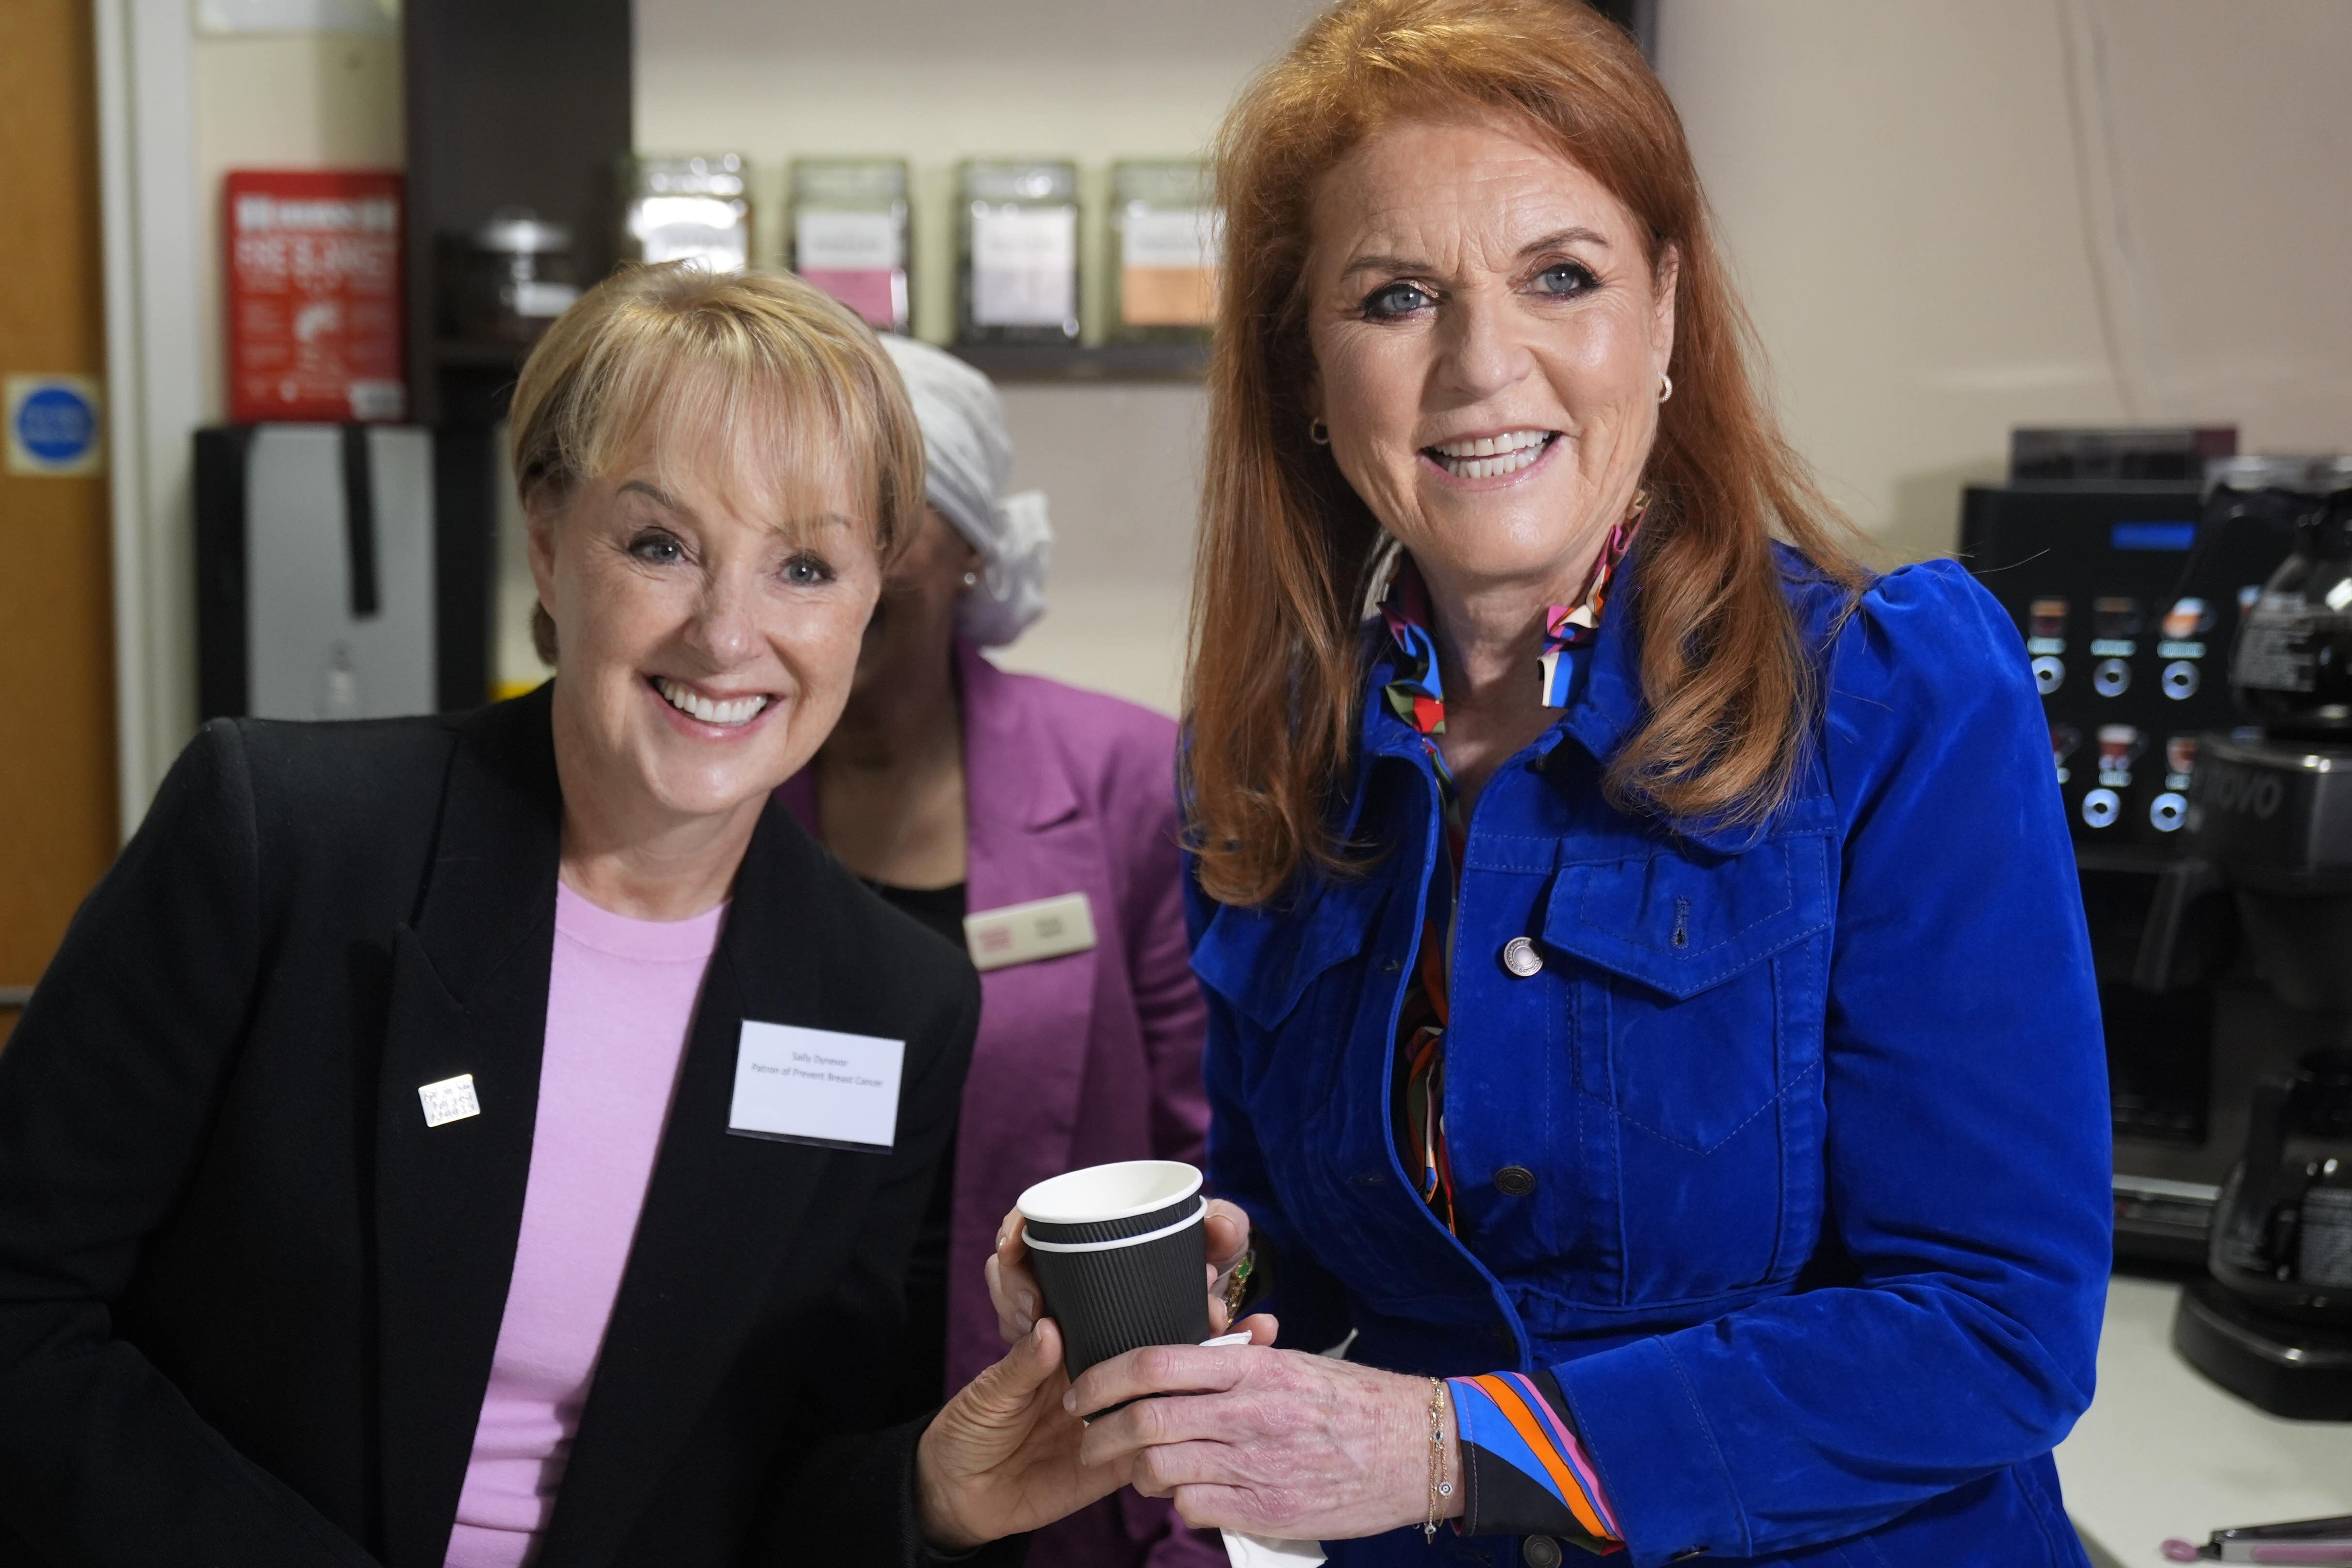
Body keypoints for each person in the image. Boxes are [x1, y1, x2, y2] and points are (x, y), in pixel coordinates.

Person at [989, 2, 2111, 1564]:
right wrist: (1203, 1313)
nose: (1479, 365)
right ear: (1307, 372)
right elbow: (1328, 1282)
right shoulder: (1265, 770)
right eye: (1395, 297)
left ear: (1663, 315)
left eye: (1561, 277)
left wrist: (1462, 1447)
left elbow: (1999, 1331)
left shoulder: (1894, 692)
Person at [0, 265, 1162, 1567]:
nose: (730, 637)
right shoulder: (278, 842)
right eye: (661, 545)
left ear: (868, 602)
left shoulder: (892, 1001)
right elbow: (24, 1311)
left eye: (805, 566)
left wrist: (928, 1496)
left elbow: (774, 1483)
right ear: (549, 542)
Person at [779, 334, 1221, 1568]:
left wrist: (1187, 1509)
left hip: (1059, 1438)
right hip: (776, 1431)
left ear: (974, 542)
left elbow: (1199, 1146)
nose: (839, 554)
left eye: (886, 509)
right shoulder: (715, 786)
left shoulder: (1127, 779)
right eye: (801, 517)